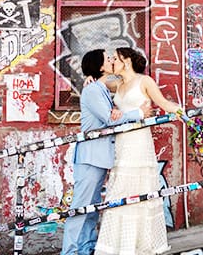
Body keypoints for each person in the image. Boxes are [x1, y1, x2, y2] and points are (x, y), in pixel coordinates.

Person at [61, 48, 152, 255]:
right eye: (108, 58)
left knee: (91, 209)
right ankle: (70, 251)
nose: (113, 60)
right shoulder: (93, 91)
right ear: (101, 67)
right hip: (90, 157)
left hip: (100, 158)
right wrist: (138, 112)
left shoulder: (100, 88)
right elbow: (109, 118)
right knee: (81, 208)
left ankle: (86, 247)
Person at [94, 47, 181, 255]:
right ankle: (119, 245)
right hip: (121, 142)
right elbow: (99, 82)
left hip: (139, 142)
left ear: (126, 61)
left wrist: (182, 112)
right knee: (120, 190)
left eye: (116, 58)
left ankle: (141, 244)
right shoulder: (117, 84)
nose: (113, 61)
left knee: (138, 189)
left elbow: (162, 103)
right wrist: (91, 78)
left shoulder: (144, 81)